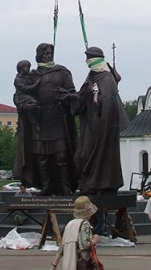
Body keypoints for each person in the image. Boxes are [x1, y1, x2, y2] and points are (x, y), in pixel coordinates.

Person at [57, 46, 127, 193]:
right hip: (90, 126)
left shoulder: (107, 80)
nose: (86, 62)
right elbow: (82, 98)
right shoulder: (92, 77)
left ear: (94, 61)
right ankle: (88, 184)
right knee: (82, 155)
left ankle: (98, 185)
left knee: (92, 155)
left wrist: (103, 122)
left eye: (88, 60)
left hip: (102, 127)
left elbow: (109, 105)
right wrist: (68, 97)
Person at [14, 43, 78, 196]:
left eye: (50, 53)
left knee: (61, 156)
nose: (49, 55)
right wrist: (25, 104)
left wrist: (66, 96)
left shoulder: (62, 73)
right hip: (39, 122)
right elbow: (19, 95)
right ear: (39, 56)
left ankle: (64, 186)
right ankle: (46, 186)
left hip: (58, 120)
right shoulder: (32, 76)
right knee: (41, 158)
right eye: (45, 53)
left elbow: (73, 94)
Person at [50, 196, 100, 270]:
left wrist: (54, 265)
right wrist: (94, 240)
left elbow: (62, 247)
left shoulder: (70, 224)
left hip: (69, 264)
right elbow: (84, 245)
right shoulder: (85, 224)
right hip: (81, 264)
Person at [13, 59, 41, 132]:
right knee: (33, 103)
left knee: (37, 107)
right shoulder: (18, 79)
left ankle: (35, 121)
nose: (29, 69)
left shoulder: (27, 76)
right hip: (21, 96)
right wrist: (36, 84)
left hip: (27, 96)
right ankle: (32, 119)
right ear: (22, 68)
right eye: (27, 67)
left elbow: (34, 74)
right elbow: (25, 89)